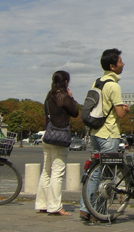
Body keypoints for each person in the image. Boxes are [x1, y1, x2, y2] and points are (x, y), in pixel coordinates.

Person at [80, 48, 130, 221]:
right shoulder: (114, 86)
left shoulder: (97, 82)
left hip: (95, 132)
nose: (123, 64)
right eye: (120, 61)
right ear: (112, 66)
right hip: (109, 133)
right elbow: (120, 114)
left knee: (94, 172)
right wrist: (125, 108)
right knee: (107, 176)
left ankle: (85, 208)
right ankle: (99, 212)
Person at [35, 70, 79, 215]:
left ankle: (42, 203)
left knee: (46, 171)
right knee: (57, 172)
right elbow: (75, 112)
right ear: (66, 82)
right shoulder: (64, 97)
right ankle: (55, 206)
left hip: (48, 134)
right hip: (60, 136)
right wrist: (71, 98)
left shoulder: (49, 96)